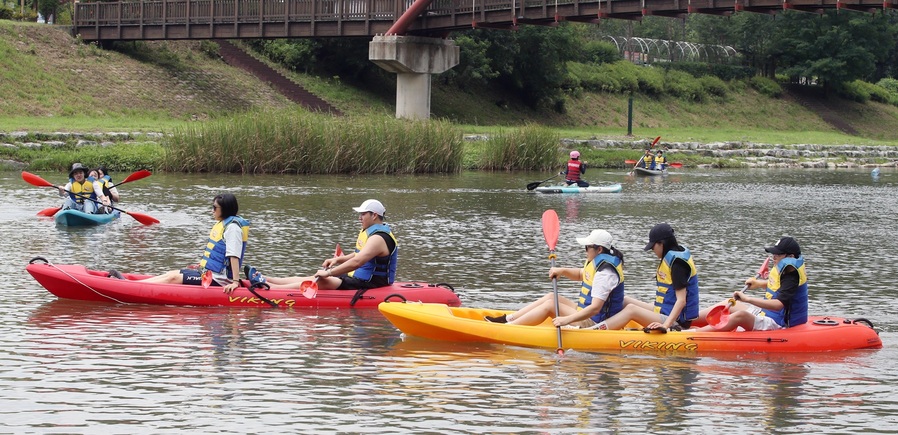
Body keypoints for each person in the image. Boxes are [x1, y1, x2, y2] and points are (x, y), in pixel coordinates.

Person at [484, 229, 625, 328]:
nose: (585, 250)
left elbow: (595, 308)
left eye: (587, 247)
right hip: (584, 312)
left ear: (599, 249)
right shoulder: (597, 262)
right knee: (551, 296)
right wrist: (562, 271)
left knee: (551, 305)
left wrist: (566, 320)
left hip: (595, 323)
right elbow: (580, 274)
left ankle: (510, 328)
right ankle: (508, 319)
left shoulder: (605, 273)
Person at [110, 193, 248, 294]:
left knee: (173, 278)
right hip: (208, 273)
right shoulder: (223, 224)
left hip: (220, 280)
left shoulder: (232, 228)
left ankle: (129, 287)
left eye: (215, 207)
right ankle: (131, 284)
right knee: (173, 273)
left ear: (225, 209)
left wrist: (235, 282)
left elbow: (233, 256)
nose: (212, 211)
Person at [251, 199, 398, 291]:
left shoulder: (378, 238)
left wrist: (329, 273)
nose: (359, 218)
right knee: (314, 276)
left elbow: (357, 262)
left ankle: (271, 289)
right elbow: (359, 253)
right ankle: (268, 279)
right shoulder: (372, 233)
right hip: (360, 278)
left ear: (374, 215)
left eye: (363, 214)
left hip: (371, 283)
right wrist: (337, 260)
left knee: (323, 281)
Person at [589, 223, 700, 331]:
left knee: (631, 310)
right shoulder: (674, 255)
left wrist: (665, 325)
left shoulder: (678, 264)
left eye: (653, 247)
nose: (653, 250)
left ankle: (592, 331)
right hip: (664, 311)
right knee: (624, 301)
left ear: (661, 244)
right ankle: (605, 323)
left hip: (676, 321)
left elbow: (681, 301)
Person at [695, 236, 808, 332]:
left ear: (791, 257)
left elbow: (778, 305)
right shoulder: (786, 269)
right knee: (729, 303)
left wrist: (747, 299)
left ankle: (693, 334)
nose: (774, 257)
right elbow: (777, 287)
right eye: (773, 254)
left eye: (777, 255)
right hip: (767, 314)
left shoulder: (791, 277)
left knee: (741, 316)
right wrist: (758, 284)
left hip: (779, 324)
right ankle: (688, 320)